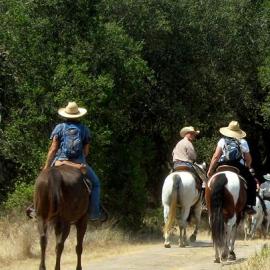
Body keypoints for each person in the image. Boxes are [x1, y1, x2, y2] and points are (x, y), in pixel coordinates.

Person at [42, 101, 107, 222]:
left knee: (43, 181)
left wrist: (46, 166)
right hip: (79, 163)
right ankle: (94, 213)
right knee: (96, 184)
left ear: (65, 115)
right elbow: (86, 151)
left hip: (59, 161)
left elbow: (53, 149)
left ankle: (36, 208)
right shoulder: (84, 129)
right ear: (78, 115)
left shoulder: (59, 128)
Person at [207, 121, 257, 215]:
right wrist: (248, 167)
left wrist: (210, 169)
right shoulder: (243, 142)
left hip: (222, 164)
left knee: (209, 182)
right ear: (238, 131)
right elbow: (248, 158)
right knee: (252, 182)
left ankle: (207, 202)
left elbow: (216, 156)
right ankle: (249, 206)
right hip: (238, 165)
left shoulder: (222, 140)